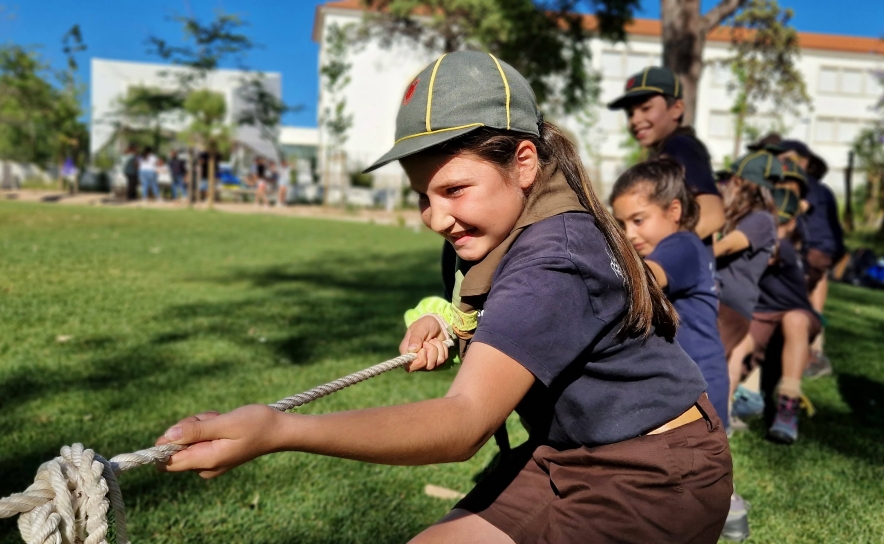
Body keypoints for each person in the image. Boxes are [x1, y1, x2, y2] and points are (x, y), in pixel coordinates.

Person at [155, 51, 732, 544]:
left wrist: (280, 431)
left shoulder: (554, 255)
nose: (436, 217)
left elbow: (462, 425)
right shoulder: (517, 226)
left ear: (524, 163)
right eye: (422, 196)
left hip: (657, 474)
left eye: (454, 189)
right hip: (566, 452)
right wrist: (447, 323)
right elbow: (500, 317)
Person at [610, 158, 748, 542]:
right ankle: (728, 509)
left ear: (673, 211)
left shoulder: (681, 245)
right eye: (621, 224)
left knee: (688, 477)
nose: (629, 233)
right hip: (696, 380)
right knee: (695, 473)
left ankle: (726, 511)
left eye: (638, 220)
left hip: (697, 384)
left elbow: (646, 281)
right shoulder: (682, 246)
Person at [607, 66, 725, 242]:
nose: (635, 120)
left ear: (677, 108)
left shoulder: (680, 147)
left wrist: (664, 256)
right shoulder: (665, 150)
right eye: (631, 114)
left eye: (646, 108)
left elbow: (713, 215)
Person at [750, 188, 820, 445]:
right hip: (760, 314)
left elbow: (770, 251)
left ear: (790, 224)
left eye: (777, 223)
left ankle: (787, 405)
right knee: (740, 335)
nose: (771, 229)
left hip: (797, 316)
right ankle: (723, 404)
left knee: (795, 320)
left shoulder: (785, 248)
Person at [713, 152, 779, 411]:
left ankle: (716, 423)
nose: (724, 186)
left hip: (730, 306)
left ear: (740, 183)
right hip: (719, 300)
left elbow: (726, 248)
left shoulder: (761, 220)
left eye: (728, 180)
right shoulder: (742, 218)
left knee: (708, 365)